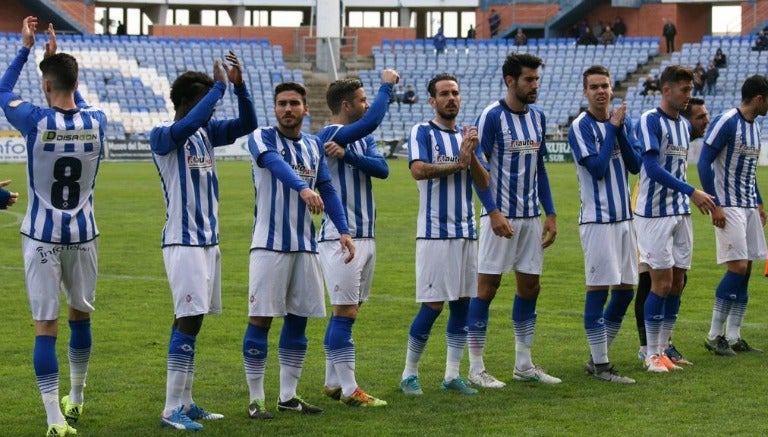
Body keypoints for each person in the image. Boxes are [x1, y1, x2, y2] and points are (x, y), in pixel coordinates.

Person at [0, 17, 107, 437]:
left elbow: (3, 91)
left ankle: (54, 420)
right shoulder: (97, 122)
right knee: (80, 317)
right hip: (83, 236)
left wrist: (26, 49)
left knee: (45, 326)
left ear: (45, 86)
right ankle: (77, 398)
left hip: (42, 237)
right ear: (76, 81)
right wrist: (55, 63)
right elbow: (72, 96)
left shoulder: (35, 121)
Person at [151, 50, 256, 430]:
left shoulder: (206, 133)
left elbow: (248, 123)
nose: (210, 111)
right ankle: (169, 410)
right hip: (183, 242)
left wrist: (239, 87)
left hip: (208, 242)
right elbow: (186, 125)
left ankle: (186, 401)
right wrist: (217, 90)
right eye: (203, 103)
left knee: (191, 321)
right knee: (188, 318)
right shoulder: (164, 134)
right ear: (184, 103)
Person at [243, 82, 354, 419]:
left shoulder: (312, 145)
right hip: (269, 246)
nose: (287, 109)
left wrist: (344, 231)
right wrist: (303, 190)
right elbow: (275, 165)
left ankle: (288, 397)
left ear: (306, 109)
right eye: (281, 104)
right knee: (260, 319)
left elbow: (328, 188)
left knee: (298, 321)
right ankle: (256, 400)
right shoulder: (262, 137)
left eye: (294, 103)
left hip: (305, 247)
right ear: (274, 108)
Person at [466, 53, 560, 388]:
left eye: (536, 79)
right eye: (528, 80)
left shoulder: (538, 117)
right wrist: (492, 212)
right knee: (487, 289)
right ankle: (475, 368)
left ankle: (523, 364)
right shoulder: (492, 116)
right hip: (499, 219)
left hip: (530, 219)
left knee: (531, 288)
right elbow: (478, 168)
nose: (534, 85)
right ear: (510, 81)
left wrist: (549, 213)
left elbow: (541, 168)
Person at [398, 73, 487, 396]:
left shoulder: (466, 137)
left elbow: (484, 182)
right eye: (444, 94)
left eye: (456, 93)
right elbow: (418, 170)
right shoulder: (422, 131)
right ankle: (409, 373)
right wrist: (457, 164)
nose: (452, 98)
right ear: (432, 101)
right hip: (435, 233)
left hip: (466, 232)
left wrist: (471, 155)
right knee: (433, 305)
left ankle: (452, 374)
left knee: (462, 304)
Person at [315, 70, 399, 407]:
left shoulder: (356, 140)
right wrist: (386, 86)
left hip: (367, 235)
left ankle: (332, 382)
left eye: (369, 98)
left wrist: (349, 155)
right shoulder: (331, 132)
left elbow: (382, 169)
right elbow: (374, 120)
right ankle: (351, 391)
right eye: (362, 100)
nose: (367, 105)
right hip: (339, 236)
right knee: (345, 312)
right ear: (347, 105)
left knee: (348, 311)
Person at [634, 65, 716, 373]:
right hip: (654, 214)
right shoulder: (650, 121)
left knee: (678, 281)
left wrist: (688, 196)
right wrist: (692, 191)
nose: (688, 95)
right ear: (666, 90)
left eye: (690, 90)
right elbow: (652, 169)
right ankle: (651, 353)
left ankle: (665, 346)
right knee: (661, 282)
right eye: (684, 90)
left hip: (679, 211)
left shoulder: (683, 125)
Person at [568, 66, 641, 384]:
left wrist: (620, 129)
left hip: (624, 219)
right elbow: (597, 168)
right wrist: (612, 129)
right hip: (597, 221)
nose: (600, 91)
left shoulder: (619, 124)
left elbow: (636, 165)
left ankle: (598, 356)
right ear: (585, 92)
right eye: (594, 86)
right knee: (598, 290)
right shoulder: (580, 126)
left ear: (612, 90)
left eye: (605, 86)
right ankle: (601, 366)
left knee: (625, 292)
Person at [698, 75, 768, 356]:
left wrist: (760, 202)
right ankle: (714, 334)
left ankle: (735, 335)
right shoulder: (727, 121)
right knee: (737, 268)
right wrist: (714, 204)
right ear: (760, 99)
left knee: (747, 269)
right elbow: (704, 161)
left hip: (749, 205)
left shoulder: (754, 126)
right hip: (728, 206)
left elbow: (749, 172)